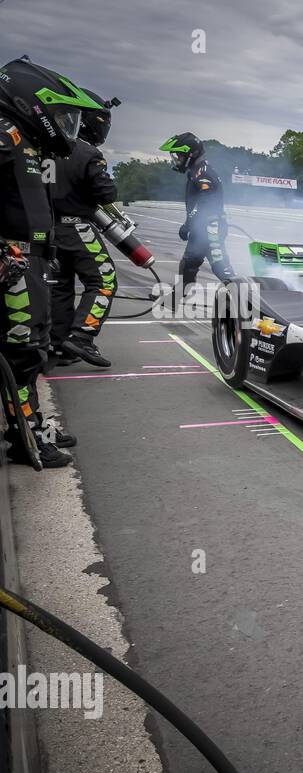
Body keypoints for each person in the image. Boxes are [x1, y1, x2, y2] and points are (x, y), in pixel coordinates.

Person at [1, 58, 100, 468]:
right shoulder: (4, 138)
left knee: (32, 349)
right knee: (23, 352)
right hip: (15, 264)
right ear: (32, 104)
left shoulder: (23, 140)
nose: (67, 126)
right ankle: (25, 438)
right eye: (61, 116)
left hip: (33, 261)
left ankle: (31, 424)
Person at [49, 91, 118, 368]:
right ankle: (82, 337)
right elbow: (106, 193)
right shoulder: (87, 152)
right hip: (76, 228)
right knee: (104, 280)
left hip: (48, 229)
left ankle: (57, 345)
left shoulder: (46, 146)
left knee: (60, 286)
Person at [159, 132, 235, 290]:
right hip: (201, 229)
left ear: (190, 154)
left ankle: (246, 301)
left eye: (178, 155)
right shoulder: (197, 170)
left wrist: (188, 224)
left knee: (221, 266)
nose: (176, 159)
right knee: (188, 264)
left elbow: (205, 201)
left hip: (211, 228)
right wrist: (191, 225)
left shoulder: (203, 172)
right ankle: (177, 297)